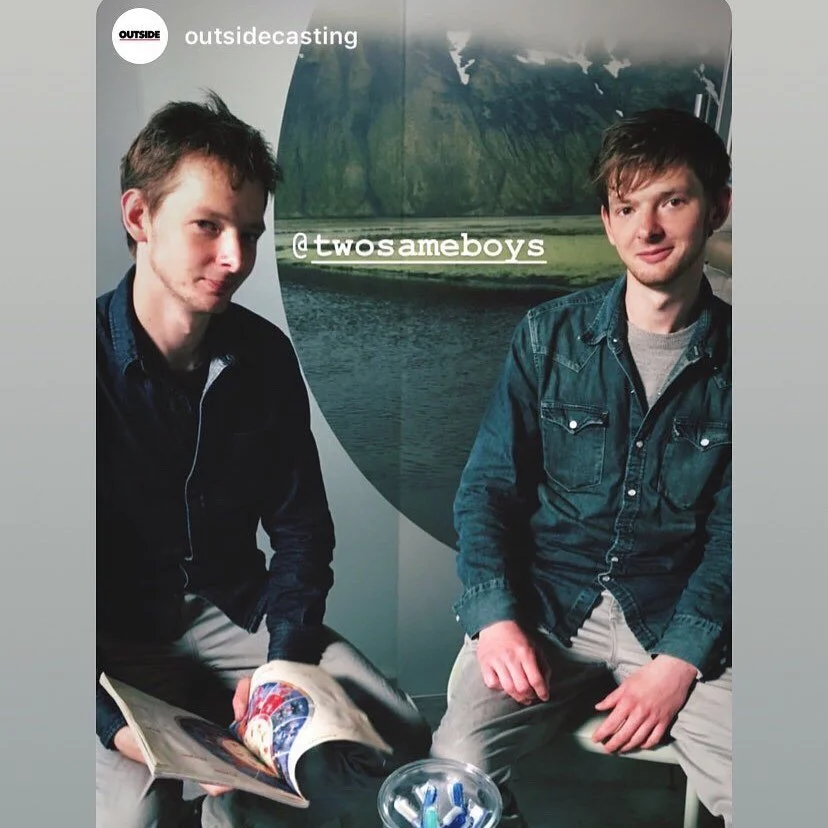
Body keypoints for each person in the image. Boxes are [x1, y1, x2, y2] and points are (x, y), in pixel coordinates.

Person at [96, 91, 430, 828]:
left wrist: (282, 663)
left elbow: (303, 530)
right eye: (207, 227)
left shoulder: (265, 356)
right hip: (104, 646)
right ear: (138, 218)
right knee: (133, 818)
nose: (235, 258)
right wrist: (107, 724)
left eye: (248, 232)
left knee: (398, 729)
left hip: (236, 618)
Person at [431, 108, 732, 826]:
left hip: (676, 616)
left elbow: (740, 536)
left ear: (719, 205)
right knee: (451, 782)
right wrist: (495, 617)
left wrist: (681, 661)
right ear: (606, 220)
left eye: (672, 201)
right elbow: (487, 489)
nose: (647, 229)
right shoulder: (546, 335)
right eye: (627, 207)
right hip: (545, 610)